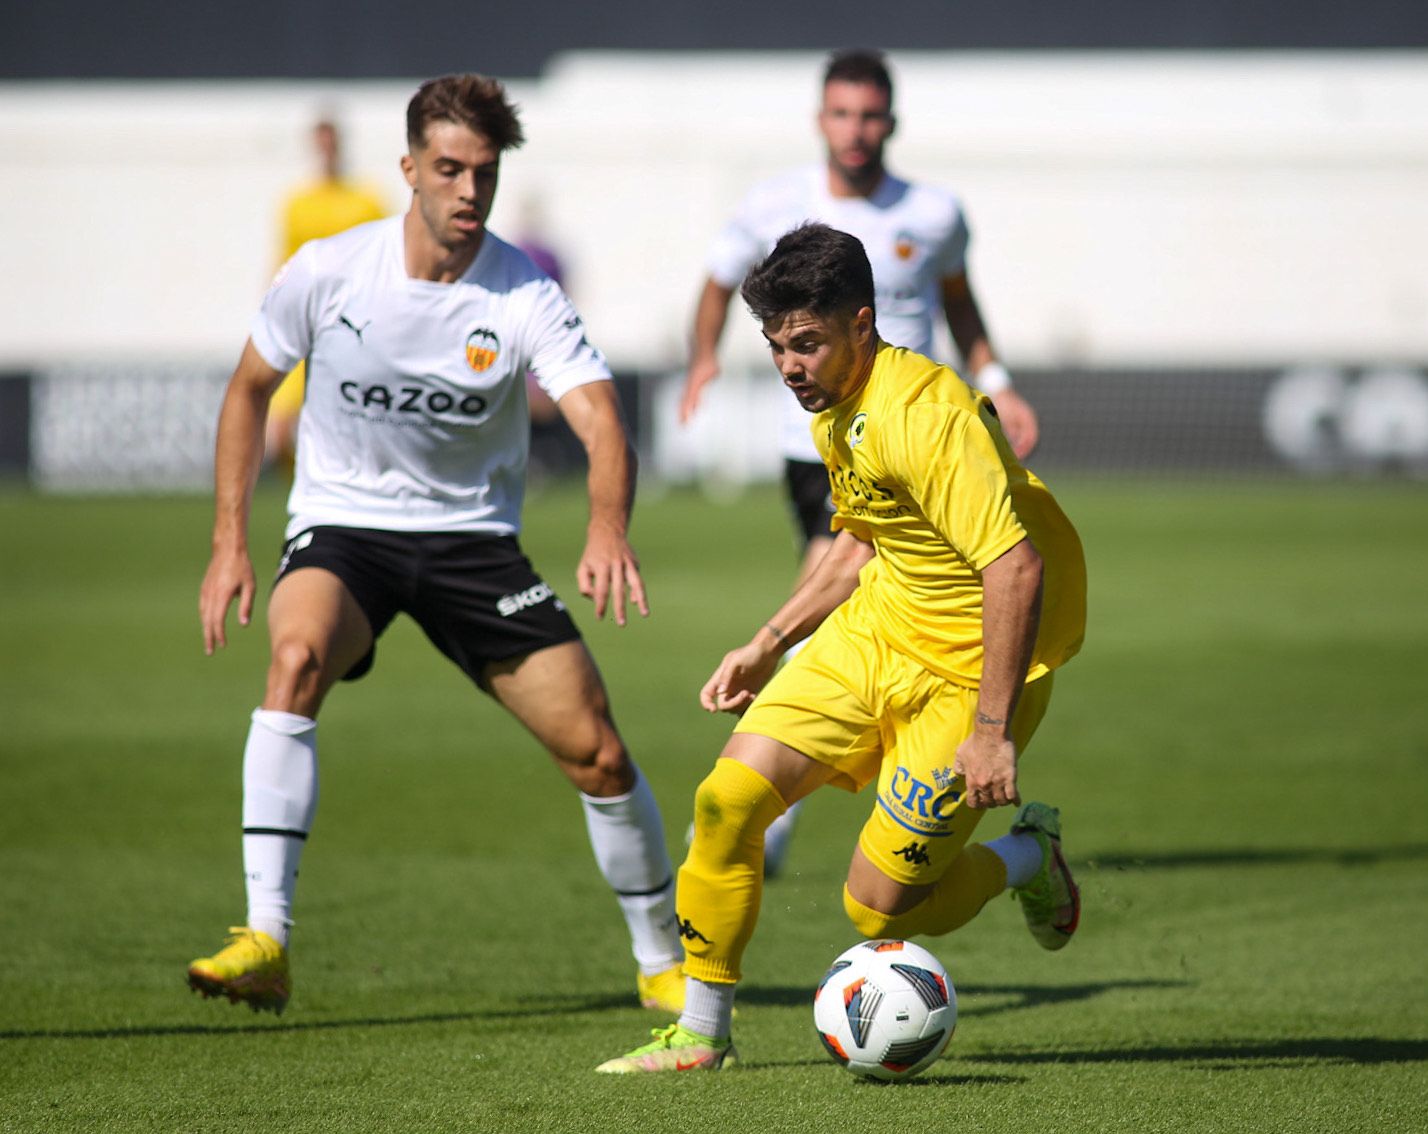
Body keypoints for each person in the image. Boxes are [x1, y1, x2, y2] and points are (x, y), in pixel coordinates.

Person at [188, 73, 685, 1017]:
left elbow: (599, 419)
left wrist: (607, 527)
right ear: (409, 168)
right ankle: (266, 937)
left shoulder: (523, 290)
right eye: (449, 169)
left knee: (601, 757)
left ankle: (661, 958)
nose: (467, 192)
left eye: (484, 174)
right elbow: (248, 389)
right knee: (293, 659)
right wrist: (229, 542)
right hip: (344, 529)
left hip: (470, 544)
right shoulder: (328, 269)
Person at [596, 223, 1085, 1073]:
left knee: (880, 910)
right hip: (875, 635)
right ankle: (701, 1036)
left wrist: (993, 729)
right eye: (777, 346)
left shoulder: (928, 415)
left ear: (863, 324)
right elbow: (859, 542)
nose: (789, 366)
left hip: (970, 674)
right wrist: (768, 641)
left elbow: (1015, 569)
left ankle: (1025, 857)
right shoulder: (833, 402)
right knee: (725, 802)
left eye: (807, 343)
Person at [679, 50, 1041, 875]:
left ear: (891, 122)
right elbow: (715, 280)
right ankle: (781, 797)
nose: (856, 130)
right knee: (841, 583)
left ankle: (796, 789)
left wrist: (997, 380)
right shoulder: (774, 203)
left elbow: (959, 301)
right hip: (820, 443)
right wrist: (701, 355)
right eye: (842, 114)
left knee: (884, 593)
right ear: (821, 120)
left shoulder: (933, 211)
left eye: (871, 116)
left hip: (913, 433)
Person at [264, 117, 389, 471]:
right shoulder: (297, 202)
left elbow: (385, 256)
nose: (326, 150)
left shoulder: (366, 199)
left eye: (331, 142)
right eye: (320, 143)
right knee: (281, 421)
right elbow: (282, 261)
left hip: (354, 321)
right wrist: (271, 305)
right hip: (305, 319)